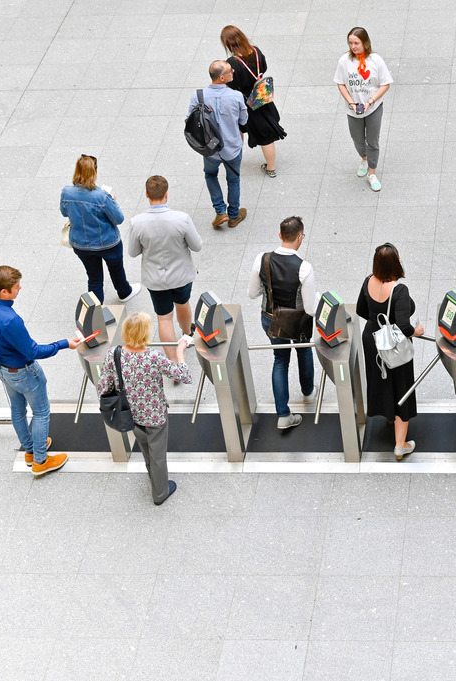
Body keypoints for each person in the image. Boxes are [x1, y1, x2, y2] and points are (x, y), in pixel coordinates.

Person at [0, 266, 79, 476]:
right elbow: (33, 351)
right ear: (4, 292)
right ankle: (40, 460)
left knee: (17, 409)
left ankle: (30, 449)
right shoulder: (10, 320)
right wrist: (64, 343)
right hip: (23, 372)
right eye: (16, 286)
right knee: (41, 412)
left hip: (0, 366)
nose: (20, 288)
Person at [97, 313, 191, 505]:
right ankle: (160, 492)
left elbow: (103, 386)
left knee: (146, 448)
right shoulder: (153, 357)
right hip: (155, 415)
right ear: (144, 334)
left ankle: (153, 477)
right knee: (158, 454)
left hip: (129, 413)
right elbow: (183, 375)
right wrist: (181, 350)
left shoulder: (114, 354)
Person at [247, 216, 318, 430]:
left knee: (280, 360)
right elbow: (310, 308)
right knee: (304, 352)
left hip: (271, 319)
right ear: (299, 237)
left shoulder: (262, 259)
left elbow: (252, 293)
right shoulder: (304, 268)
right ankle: (307, 394)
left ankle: (283, 415)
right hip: (297, 322)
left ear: (280, 235)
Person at [356, 244, 423, 459]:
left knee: (381, 380)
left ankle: (388, 415)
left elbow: (361, 310)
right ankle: (400, 444)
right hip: (393, 346)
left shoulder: (368, 281)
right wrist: (416, 331)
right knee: (401, 388)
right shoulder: (399, 290)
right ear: (396, 263)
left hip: (372, 340)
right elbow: (404, 326)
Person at [127, 176, 203, 363]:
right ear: (166, 194)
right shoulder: (182, 219)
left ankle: (174, 363)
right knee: (183, 303)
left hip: (155, 279)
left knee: (164, 318)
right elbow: (197, 246)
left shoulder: (137, 222)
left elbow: (133, 252)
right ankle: (187, 334)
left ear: (146, 194)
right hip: (181, 275)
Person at [60, 155, 140, 303]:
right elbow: (119, 218)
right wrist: (112, 201)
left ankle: (95, 315)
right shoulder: (102, 196)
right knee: (116, 269)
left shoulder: (67, 192)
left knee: (94, 278)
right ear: (94, 173)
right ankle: (124, 292)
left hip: (81, 244)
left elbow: (64, 212)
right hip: (108, 243)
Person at [221, 25, 287, 178]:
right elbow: (264, 67)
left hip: (245, 102)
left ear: (228, 44)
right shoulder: (256, 51)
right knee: (267, 136)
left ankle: (236, 158)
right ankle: (270, 167)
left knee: (238, 128)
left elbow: (230, 83)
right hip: (261, 97)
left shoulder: (232, 62)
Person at [189, 60, 249, 229]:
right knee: (233, 180)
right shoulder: (236, 96)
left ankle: (220, 211)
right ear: (222, 78)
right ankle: (234, 215)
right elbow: (244, 120)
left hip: (210, 149)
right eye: (230, 70)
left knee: (210, 175)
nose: (233, 72)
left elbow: (189, 119)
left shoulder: (198, 95)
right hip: (232, 148)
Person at [334, 27, 392, 192]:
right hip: (353, 109)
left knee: (372, 141)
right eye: (351, 43)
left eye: (356, 43)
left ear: (365, 43)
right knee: (357, 139)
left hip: (373, 108)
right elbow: (340, 83)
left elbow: (385, 83)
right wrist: (351, 101)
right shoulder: (344, 61)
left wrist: (372, 101)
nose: (353, 47)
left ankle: (372, 173)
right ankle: (364, 158)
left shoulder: (376, 60)